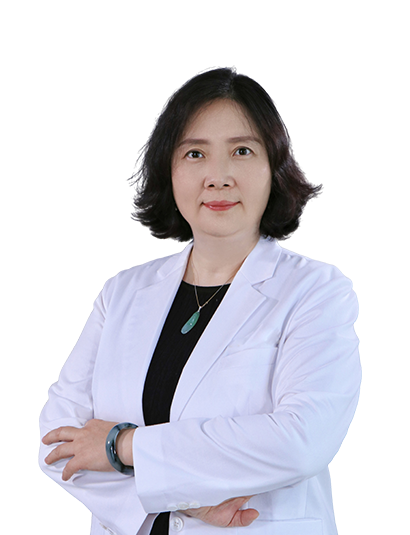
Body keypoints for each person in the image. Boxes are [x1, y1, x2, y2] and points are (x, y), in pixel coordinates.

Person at [39, 67, 361, 535]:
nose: (218, 177)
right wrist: (189, 504)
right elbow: (56, 444)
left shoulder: (316, 292)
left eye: (242, 151)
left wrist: (120, 446)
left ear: (273, 168)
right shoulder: (122, 294)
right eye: (195, 153)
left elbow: (300, 441)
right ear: (169, 171)